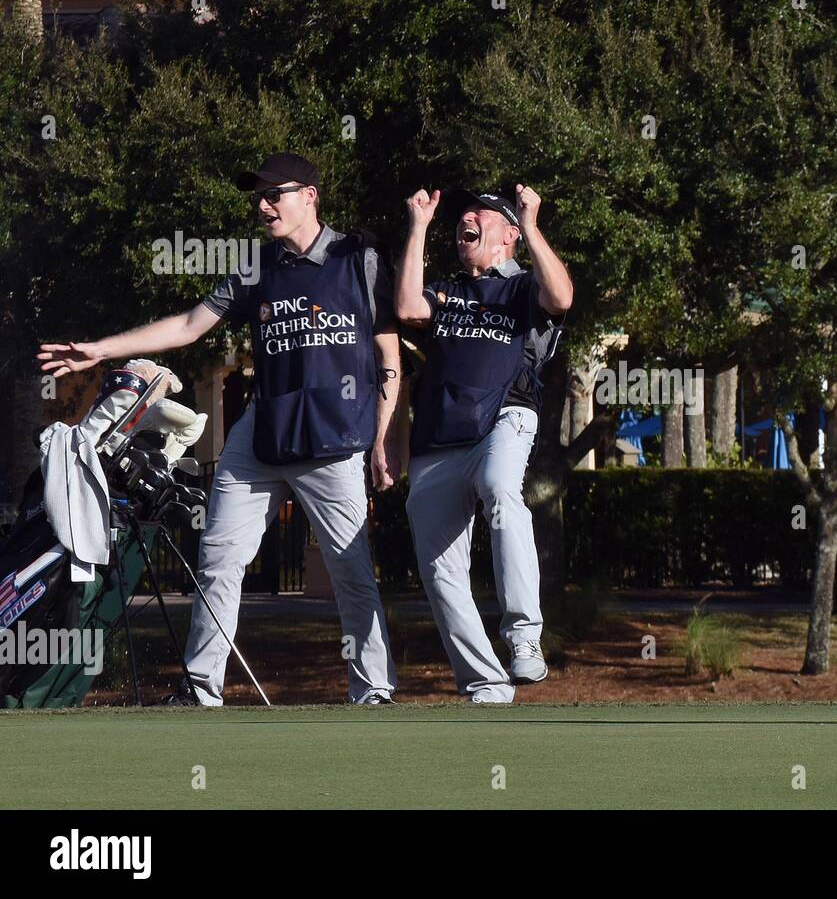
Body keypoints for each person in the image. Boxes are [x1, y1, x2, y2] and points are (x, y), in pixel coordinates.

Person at [37, 152, 400, 706]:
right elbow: (187, 325)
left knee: (351, 573)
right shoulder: (255, 267)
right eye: (258, 196)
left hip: (334, 441)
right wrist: (99, 351)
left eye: (273, 194)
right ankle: (201, 687)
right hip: (261, 438)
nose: (262, 205)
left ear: (310, 195)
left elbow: (388, 351)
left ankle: (373, 689)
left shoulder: (360, 258)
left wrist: (382, 437)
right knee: (219, 557)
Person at [394, 185, 571, 703]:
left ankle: (524, 637)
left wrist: (533, 224)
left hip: (505, 415)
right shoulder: (448, 290)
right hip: (438, 433)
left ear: (509, 236)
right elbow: (406, 305)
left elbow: (561, 297)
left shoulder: (523, 289)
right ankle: (485, 682)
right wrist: (419, 226)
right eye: (463, 214)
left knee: (500, 488)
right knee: (440, 568)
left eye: (483, 215)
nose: (466, 219)